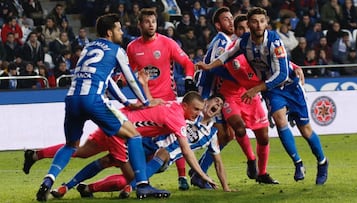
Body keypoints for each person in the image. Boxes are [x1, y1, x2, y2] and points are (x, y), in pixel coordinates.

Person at [35, 13, 168, 202]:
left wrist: (126, 103)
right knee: (134, 135)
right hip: (93, 99)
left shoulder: (88, 48)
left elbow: (108, 81)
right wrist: (146, 102)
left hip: (72, 98)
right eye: (118, 28)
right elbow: (130, 78)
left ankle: (48, 180)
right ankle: (143, 185)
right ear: (109, 32)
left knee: (71, 145)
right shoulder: (116, 50)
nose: (121, 32)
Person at [196, 7, 329, 185]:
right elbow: (227, 56)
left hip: (288, 86)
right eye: (253, 22)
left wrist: (258, 87)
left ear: (266, 23)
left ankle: (322, 161)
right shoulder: (238, 42)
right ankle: (297, 163)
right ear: (248, 25)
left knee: (304, 130)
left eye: (261, 21)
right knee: (277, 121)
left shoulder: (274, 41)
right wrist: (208, 68)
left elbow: (281, 73)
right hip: (263, 91)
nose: (257, 25)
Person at [26, 91, 217, 199]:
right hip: (123, 131)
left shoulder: (168, 105)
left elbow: (148, 103)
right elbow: (186, 150)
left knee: (81, 151)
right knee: (130, 178)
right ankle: (139, 188)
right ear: (185, 106)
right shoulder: (177, 117)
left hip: (115, 119)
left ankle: (37, 155)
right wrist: (202, 175)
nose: (198, 113)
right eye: (196, 109)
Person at [75, 94, 231, 199]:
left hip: (161, 158)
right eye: (216, 101)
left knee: (162, 155)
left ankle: (101, 187)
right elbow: (155, 109)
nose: (218, 105)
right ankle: (85, 188)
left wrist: (226, 187)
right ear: (206, 102)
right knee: (111, 161)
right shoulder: (187, 112)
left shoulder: (211, 134)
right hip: (147, 143)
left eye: (221, 105)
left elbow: (218, 161)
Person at [126, 8, 197, 190]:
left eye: (154, 21)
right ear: (140, 24)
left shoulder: (167, 43)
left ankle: (182, 177)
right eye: (147, 22)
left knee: (176, 137)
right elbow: (129, 71)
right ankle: (142, 177)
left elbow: (187, 63)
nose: (151, 25)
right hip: (146, 103)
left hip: (168, 100)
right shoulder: (132, 47)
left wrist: (189, 79)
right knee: (140, 139)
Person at [193, 7, 263, 187]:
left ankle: (197, 171)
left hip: (216, 94)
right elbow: (216, 68)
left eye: (231, 18)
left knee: (226, 135)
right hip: (209, 94)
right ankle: (197, 173)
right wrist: (243, 79)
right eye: (226, 19)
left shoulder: (229, 41)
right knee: (218, 135)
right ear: (218, 25)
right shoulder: (221, 41)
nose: (230, 21)